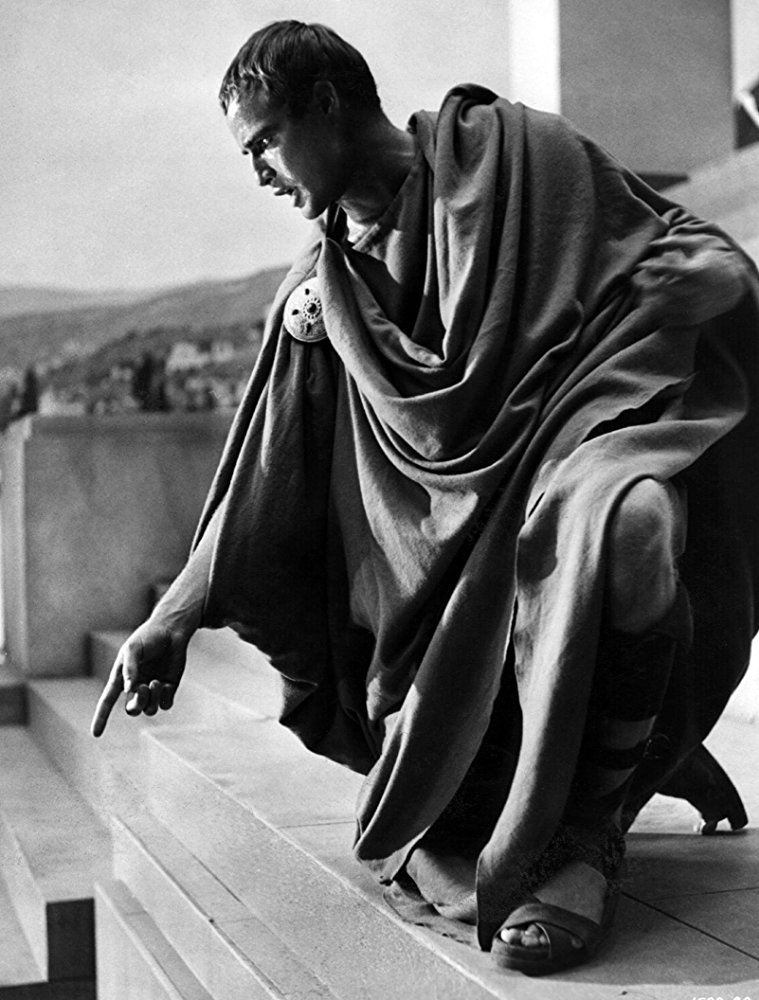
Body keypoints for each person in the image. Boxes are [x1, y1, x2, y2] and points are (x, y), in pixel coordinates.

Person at [91, 21, 759, 976]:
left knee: (629, 518)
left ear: (326, 105)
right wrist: (170, 619)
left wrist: (702, 284)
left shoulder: (519, 157)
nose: (259, 174)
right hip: (425, 588)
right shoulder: (322, 293)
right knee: (443, 756)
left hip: (575, 454)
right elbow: (257, 482)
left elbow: (681, 245)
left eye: (263, 142)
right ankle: (601, 741)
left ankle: (589, 825)